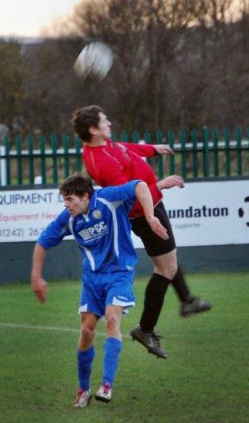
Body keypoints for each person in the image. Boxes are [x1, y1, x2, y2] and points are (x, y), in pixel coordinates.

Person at [73, 105, 212, 359]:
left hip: (152, 207)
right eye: (105, 122)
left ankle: (187, 300)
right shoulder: (101, 163)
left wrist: (152, 150)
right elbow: (129, 197)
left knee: (168, 260)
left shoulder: (101, 145)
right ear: (93, 130)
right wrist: (162, 185)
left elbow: (125, 148)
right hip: (145, 213)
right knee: (166, 268)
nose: (110, 124)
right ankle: (146, 329)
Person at [31, 173, 168, 406]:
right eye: (64, 200)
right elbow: (43, 242)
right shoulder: (69, 218)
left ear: (85, 196)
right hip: (92, 280)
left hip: (119, 273)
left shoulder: (108, 199)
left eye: (70, 199)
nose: (66, 205)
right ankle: (83, 389)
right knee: (86, 331)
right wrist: (36, 276)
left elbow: (140, 186)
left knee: (112, 320)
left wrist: (150, 216)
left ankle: (106, 384)